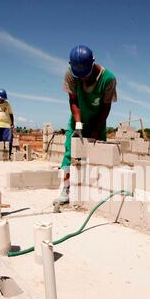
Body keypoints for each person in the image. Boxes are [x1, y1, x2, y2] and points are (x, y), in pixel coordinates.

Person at [58, 45, 117, 204]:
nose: (83, 78)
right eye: (80, 75)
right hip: (78, 121)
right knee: (71, 153)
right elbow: (73, 100)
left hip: (98, 120)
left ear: (93, 64)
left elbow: (106, 107)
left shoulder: (108, 79)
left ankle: (95, 189)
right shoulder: (71, 75)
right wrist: (78, 125)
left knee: (97, 155)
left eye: (86, 74)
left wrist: (97, 130)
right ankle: (67, 186)